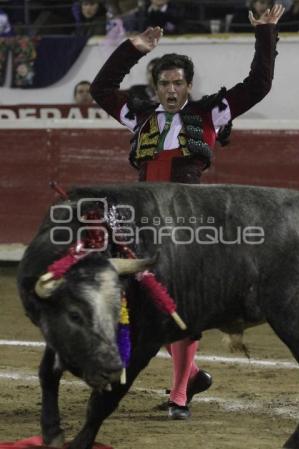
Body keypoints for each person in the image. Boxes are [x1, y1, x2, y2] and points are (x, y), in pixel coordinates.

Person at [90, 4, 285, 419]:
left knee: (181, 306)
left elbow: (259, 84)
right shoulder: (139, 116)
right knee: (150, 306)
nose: (172, 89)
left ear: (189, 85)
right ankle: (191, 375)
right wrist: (132, 48)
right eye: (165, 83)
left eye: (178, 83)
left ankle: (180, 393)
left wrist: (265, 34)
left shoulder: (209, 114)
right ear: (157, 87)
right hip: (144, 221)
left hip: (189, 222)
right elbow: (101, 88)